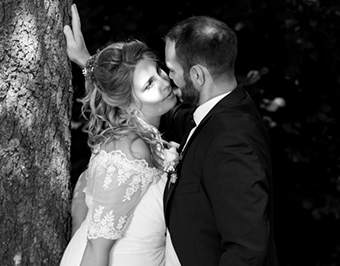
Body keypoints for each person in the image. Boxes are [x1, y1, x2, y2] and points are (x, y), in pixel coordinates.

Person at [64, 4, 279, 266]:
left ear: (197, 75)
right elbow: (135, 99)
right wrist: (90, 65)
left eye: (168, 70)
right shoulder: (213, 115)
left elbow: (248, 250)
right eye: (154, 78)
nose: (168, 81)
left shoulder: (228, 139)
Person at [60, 5, 185, 266]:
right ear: (126, 103)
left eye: (159, 72)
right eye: (149, 84)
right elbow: (96, 249)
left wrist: (87, 61)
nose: (164, 83)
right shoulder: (128, 150)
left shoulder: (139, 132)